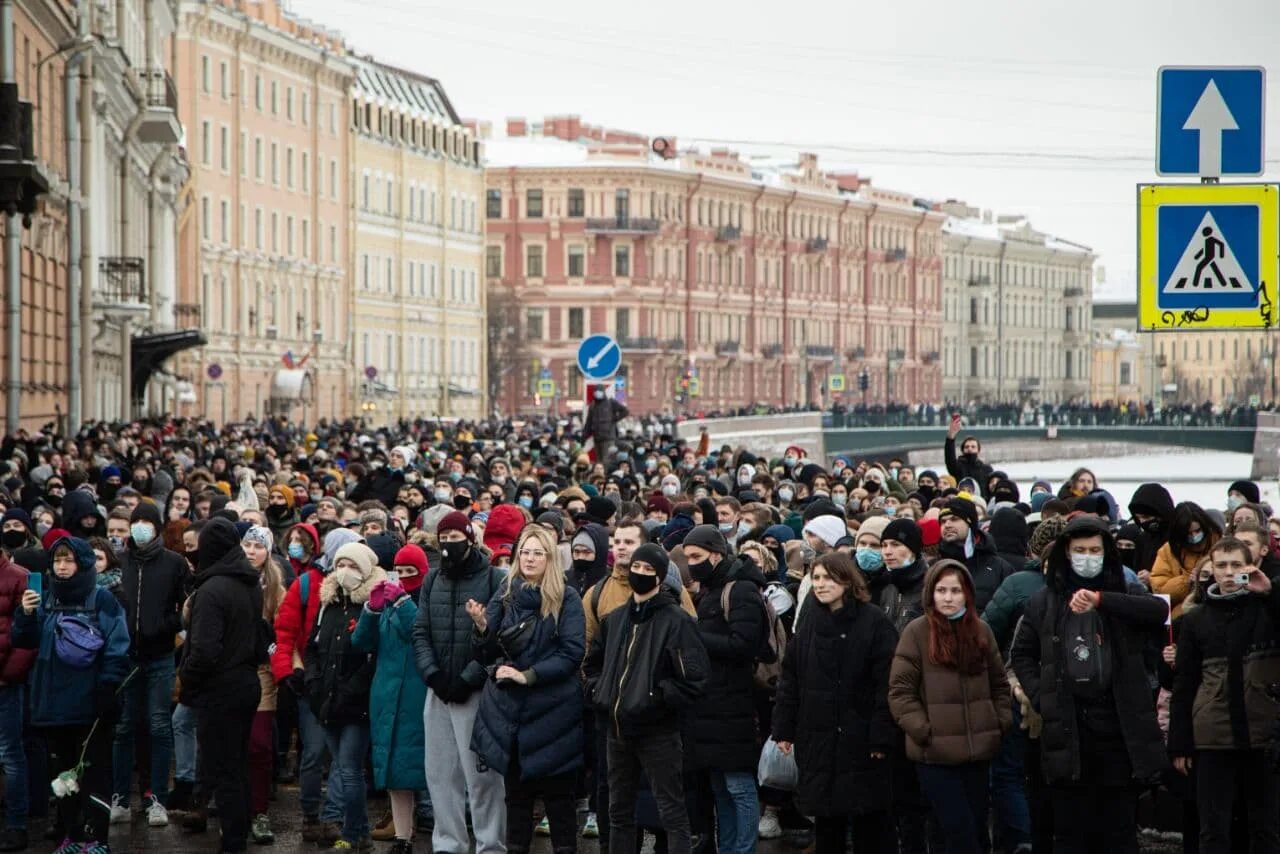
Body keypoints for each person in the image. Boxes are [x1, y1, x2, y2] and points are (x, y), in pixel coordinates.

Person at [1010, 516, 1169, 854]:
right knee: (1071, 833)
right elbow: (1021, 651)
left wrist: (1102, 600)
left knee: (1119, 832)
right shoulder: (1045, 599)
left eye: (1094, 550)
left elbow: (1157, 611)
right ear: (1066, 554)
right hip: (1069, 732)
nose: (1087, 556)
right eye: (1079, 550)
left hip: (1118, 730)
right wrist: (1042, 696)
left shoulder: (1124, 589)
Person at [584, 541, 708, 854]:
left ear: (661, 576)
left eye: (648, 569)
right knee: (618, 812)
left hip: (659, 732)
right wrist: (600, 692)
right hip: (616, 729)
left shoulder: (677, 620)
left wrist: (656, 698)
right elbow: (592, 663)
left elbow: (694, 679)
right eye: (636, 567)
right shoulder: (615, 618)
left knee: (671, 811)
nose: (640, 573)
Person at [469, 524, 586, 854]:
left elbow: (572, 652)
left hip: (555, 716)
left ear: (549, 557)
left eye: (537, 552)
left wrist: (529, 675)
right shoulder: (506, 592)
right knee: (516, 807)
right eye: (525, 552)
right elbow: (483, 653)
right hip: (511, 717)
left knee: (560, 809)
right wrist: (480, 629)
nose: (530, 558)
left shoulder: (567, 596)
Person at [773, 553, 898, 854]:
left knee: (870, 822)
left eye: (828, 577)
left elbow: (887, 684)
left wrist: (881, 737)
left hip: (861, 738)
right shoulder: (810, 621)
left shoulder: (873, 622)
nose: (820, 584)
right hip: (818, 737)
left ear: (846, 580)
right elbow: (791, 678)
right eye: (815, 578)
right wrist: (784, 729)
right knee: (828, 823)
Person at [16, 535, 130, 854]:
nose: (62, 567)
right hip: (53, 706)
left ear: (83, 564)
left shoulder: (102, 600)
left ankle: (97, 840)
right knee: (63, 777)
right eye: (57, 561)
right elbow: (23, 641)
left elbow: (118, 647)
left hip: (90, 706)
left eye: (69, 561)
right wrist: (25, 614)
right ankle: (72, 835)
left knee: (94, 774)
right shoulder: (46, 598)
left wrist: (108, 687)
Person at [889, 558, 1010, 854]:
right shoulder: (916, 632)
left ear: (967, 593)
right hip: (935, 754)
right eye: (941, 590)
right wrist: (923, 730)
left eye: (955, 591)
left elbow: (998, 683)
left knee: (978, 830)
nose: (948, 597)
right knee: (958, 832)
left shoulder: (981, 630)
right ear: (930, 593)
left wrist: (999, 721)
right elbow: (900, 692)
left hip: (978, 752)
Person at [1168, 536, 1280, 852]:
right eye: (1221, 566)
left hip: (1263, 735)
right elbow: (1184, 683)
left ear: (1251, 565)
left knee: (1265, 828)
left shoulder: (1267, 610)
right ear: (1211, 570)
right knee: (1213, 829)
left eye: (1236, 565)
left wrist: (1269, 590)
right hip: (1213, 737)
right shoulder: (1194, 620)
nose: (1229, 573)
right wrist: (1180, 742)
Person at [412, 511, 508, 854]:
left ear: (471, 539)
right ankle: (448, 844)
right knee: (440, 775)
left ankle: (491, 844)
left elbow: (497, 640)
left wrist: (468, 679)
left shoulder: (495, 579)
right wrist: (433, 675)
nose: (450, 544)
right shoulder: (432, 579)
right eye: (444, 539)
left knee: (482, 778)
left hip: (476, 692)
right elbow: (420, 631)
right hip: (438, 692)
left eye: (456, 538)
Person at [179, 517, 266, 854]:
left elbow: (204, 650)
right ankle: (237, 834)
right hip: (245, 682)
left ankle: (232, 842)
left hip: (220, 689)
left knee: (225, 769)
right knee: (237, 765)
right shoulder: (248, 582)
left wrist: (188, 675)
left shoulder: (213, 589)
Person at [682, 524, 767, 854]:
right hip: (711, 703)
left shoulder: (741, 590)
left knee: (738, 785)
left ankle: (742, 849)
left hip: (734, 702)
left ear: (716, 555)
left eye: (696, 556)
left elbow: (744, 645)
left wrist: (695, 636)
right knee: (719, 785)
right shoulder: (711, 589)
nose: (691, 563)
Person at [110, 501, 186, 829]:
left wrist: (163, 626)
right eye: (136, 521)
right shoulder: (121, 561)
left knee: (158, 725)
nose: (140, 527)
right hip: (126, 657)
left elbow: (184, 607)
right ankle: (121, 798)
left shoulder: (174, 564)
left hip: (160, 656)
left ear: (156, 527)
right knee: (125, 727)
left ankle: (157, 799)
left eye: (146, 522)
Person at [305, 541, 384, 852]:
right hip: (325, 700)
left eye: (352, 566)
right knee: (341, 764)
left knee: (349, 769)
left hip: (355, 705)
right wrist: (313, 683)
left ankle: (351, 834)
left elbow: (374, 657)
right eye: (340, 565)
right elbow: (313, 648)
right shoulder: (328, 605)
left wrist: (350, 691)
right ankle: (361, 831)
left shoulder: (373, 607)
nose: (345, 572)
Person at [239, 526, 286, 844]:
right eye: (247, 544)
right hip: (230, 671)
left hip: (262, 674)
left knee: (258, 744)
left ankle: (259, 812)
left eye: (258, 546)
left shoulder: (276, 588)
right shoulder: (227, 579)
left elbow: (284, 630)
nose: (252, 550)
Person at [0, 522, 35, 851]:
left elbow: (27, 637)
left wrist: (7, 674)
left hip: (5, 682)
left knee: (10, 754)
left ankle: (17, 823)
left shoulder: (18, 575)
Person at [937, 498, 1016, 612]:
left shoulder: (1000, 568)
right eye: (943, 521)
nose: (947, 525)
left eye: (954, 519)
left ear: (970, 523)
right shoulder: (934, 566)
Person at [1152, 502, 1222, 619]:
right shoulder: (1168, 551)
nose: (1194, 536)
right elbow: (1159, 588)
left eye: (1197, 531)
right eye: (1188, 534)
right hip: (1182, 615)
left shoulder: (1221, 544)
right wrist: (1186, 581)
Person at [944, 416, 994, 500]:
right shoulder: (957, 467)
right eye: (966, 447)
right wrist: (950, 437)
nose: (970, 448)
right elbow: (949, 457)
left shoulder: (986, 469)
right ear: (963, 450)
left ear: (978, 450)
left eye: (973, 447)